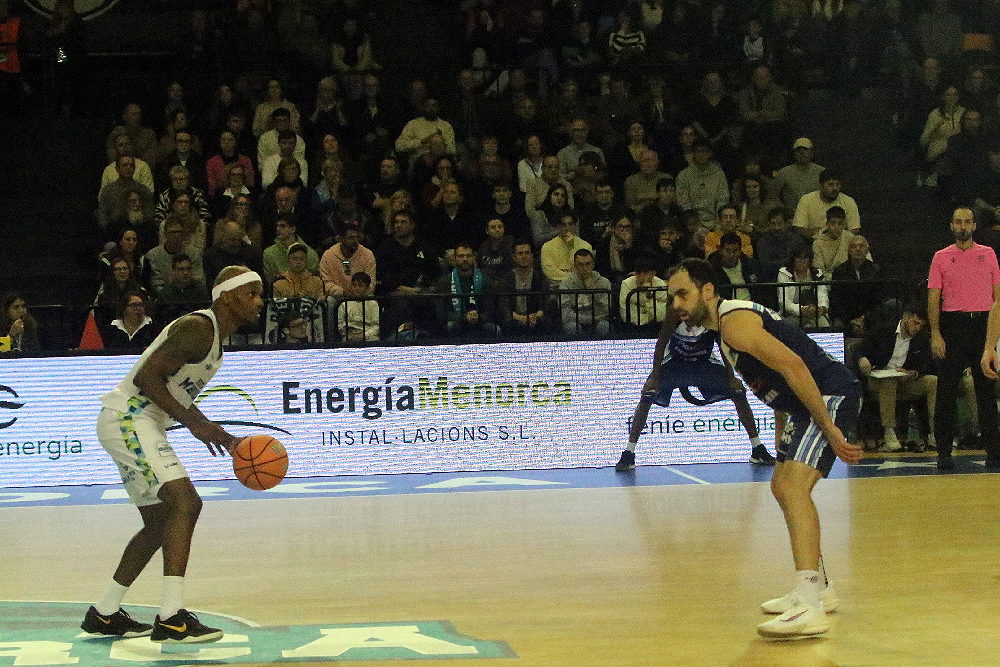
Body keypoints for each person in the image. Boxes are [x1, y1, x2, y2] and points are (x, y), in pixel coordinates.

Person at [664, 258, 862, 639]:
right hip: (805, 404)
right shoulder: (724, 329)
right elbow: (777, 382)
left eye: (682, 294)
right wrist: (781, 437)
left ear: (708, 291)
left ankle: (809, 604)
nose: (676, 305)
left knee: (793, 488)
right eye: (673, 297)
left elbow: (795, 367)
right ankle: (819, 587)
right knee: (780, 485)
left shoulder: (735, 323)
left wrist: (829, 429)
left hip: (827, 396)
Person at [80, 266, 263, 643]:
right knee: (186, 504)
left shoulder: (214, 342)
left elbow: (173, 393)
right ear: (226, 296)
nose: (260, 301)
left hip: (136, 420)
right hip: (129, 417)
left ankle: (105, 613)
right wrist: (197, 426)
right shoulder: (199, 327)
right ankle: (171, 618)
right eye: (252, 293)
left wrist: (221, 435)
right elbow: (148, 379)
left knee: (160, 521)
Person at [615, 301, 776, 473]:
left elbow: (723, 345)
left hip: (704, 362)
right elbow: (661, 344)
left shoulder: (711, 315)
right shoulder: (674, 313)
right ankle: (629, 452)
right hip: (675, 362)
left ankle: (757, 448)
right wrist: (654, 377)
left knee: (738, 392)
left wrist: (731, 376)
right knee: (647, 395)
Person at [928, 207, 1000, 470]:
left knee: (986, 392)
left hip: (982, 324)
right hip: (952, 324)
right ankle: (944, 452)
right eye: (958, 221)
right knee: (946, 391)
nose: (963, 226)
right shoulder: (940, 257)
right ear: (951, 226)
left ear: (974, 225)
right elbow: (933, 298)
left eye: (967, 221)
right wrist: (935, 333)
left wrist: (992, 340)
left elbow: (998, 298)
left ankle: (994, 451)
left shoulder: (988, 254)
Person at [856, 302, 937, 453]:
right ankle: (889, 433)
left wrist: (913, 373)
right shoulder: (883, 330)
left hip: (905, 380)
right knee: (889, 380)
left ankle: (935, 432)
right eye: (915, 323)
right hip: (878, 379)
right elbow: (859, 349)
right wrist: (862, 360)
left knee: (933, 381)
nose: (917, 328)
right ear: (905, 317)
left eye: (920, 325)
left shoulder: (921, 338)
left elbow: (926, 363)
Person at [792, 169, 861, 240]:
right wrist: (818, 234)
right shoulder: (806, 200)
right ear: (821, 186)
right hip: (812, 242)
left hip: (841, 243)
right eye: (830, 184)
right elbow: (798, 228)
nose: (835, 188)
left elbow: (855, 229)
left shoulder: (848, 201)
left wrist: (838, 236)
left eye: (837, 184)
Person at [559, 249, 612, 337]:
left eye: (588, 264)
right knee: (572, 327)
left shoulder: (604, 282)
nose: (585, 268)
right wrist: (591, 319)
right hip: (577, 322)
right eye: (581, 265)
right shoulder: (566, 284)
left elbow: (606, 311)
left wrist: (592, 289)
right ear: (575, 266)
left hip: (598, 322)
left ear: (593, 264)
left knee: (605, 326)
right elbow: (565, 315)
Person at [778, 246, 830, 330]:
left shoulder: (816, 273)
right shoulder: (784, 274)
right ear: (794, 259)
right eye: (799, 258)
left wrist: (821, 308)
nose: (802, 261)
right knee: (787, 329)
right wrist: (800, 310)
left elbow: (823, 295)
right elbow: (783, 301)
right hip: (792, 314)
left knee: (825, 326)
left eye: (805, 258)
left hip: (814, 313)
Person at [541, 213, 593, 287]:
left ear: (575, 226)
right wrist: (575, 278)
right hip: (556, 289)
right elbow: (551, 274)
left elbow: (586, 272)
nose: (567, 228)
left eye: (570, 224)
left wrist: (571, 247)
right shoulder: (547, 247)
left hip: (580, 288)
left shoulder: (586, 246)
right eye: (564, 225)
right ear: (559, 226)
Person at [335, 272, 380, 342]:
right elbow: (340, 324)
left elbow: (376, 326)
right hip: (349, 337)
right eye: (354, 285)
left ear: (367, 288)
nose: (356, 288)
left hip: (369, 338)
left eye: (360, 285)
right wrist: (349, 335)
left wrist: (364, 335)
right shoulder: (344, 303)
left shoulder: (373, 304)